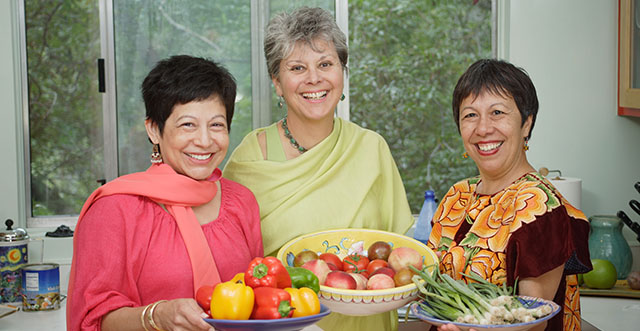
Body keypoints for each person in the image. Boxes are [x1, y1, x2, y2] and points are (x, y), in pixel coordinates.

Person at [223, 7, 414, 331]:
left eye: (325, 64)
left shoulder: (371, 148)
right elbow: (230, 266)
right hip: (285, 323)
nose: (314, 78)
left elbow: (399, 254)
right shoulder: (251, 157)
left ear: (342, 72)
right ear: (277, 83)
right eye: (297, 67)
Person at [67, 55, 263, 331]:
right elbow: (93, 320)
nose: (205, 141)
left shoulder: (242, 202)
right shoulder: (114, 210)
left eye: (216, 125)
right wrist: (155, 316)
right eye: (187, 125)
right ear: (153, 130)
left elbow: (260, 300)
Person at [427, 59, 592, 331]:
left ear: (526, 124)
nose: (483, 128)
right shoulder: (457, 196)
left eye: (497, 113)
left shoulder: (538, 207)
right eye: (470, 115)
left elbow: (532, 321)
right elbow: (432, 287)